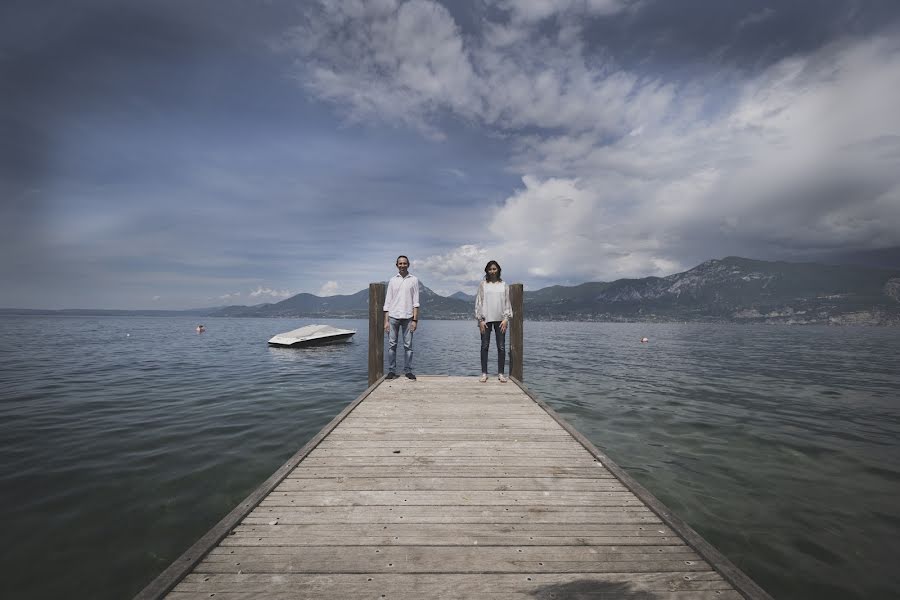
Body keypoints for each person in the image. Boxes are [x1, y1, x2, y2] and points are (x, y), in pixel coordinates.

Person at [474, 260, 513, 383]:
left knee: (501, 347)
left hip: (501, 320)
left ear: (498, 270)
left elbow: (507, 302)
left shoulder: (504, 285)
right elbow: (478, 302)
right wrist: (480, 320)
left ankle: (501, 373)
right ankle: (484, 373)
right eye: (490, 269)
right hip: (485, 320)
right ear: (487, 270)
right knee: (484, 346)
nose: (492, 271)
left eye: (494, 269)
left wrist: (506, 319)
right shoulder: (483, 285)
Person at [383, 255, 420, 380]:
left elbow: (416, 302)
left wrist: (415, 320)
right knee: (392, 345)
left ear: (408, 264)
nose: (402, 265)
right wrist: (386, 321)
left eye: (405, 263)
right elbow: (387, 302)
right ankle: (392, 371)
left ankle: (408, 371)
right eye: (400, 263)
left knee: (408, 346)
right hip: (393, 317)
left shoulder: (414, 280)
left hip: (408, 317)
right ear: (397, 265)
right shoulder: (392, 280)